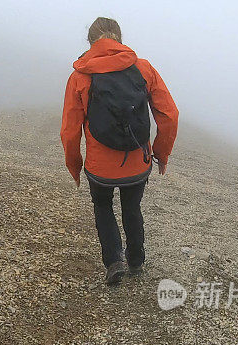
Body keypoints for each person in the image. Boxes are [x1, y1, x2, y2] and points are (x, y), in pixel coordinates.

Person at [61, 17, 179, 284]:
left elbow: (69, 130)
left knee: (102, 206)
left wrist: (74, 166)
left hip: (99, 167)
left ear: (90, 42)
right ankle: (136, 260)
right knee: (132, 207)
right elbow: (170, 115)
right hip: (138, 161)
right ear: (120, 39)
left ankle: (114, 261)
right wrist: (161, 153)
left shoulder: (80, 76)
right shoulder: (144, 69)